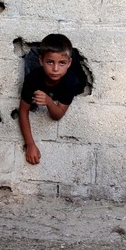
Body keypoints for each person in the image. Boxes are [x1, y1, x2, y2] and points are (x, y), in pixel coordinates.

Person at [18, 34, 82, 165]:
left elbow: (57, 115)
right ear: (41, 61)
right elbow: (23, 111)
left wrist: (48, 102)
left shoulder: (71, 82)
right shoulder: (33, 78)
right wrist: (30, 144)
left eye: (62, 63)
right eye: (50, 62)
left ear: (69, 63)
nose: (55, 69)